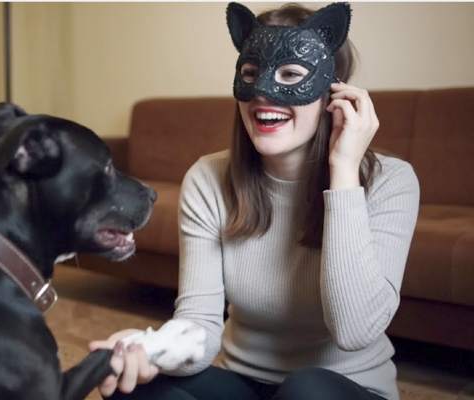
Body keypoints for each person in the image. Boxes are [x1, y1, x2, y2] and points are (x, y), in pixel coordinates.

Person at [90, 2, 420, 400]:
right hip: (245, 386)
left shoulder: (392, 181)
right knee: (129, 385)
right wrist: (148, 348)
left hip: (339, 391)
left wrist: (345, 173)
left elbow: (354, 332)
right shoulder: (207, 178)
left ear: (334, 92)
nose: (263, 92)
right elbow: (199, 322)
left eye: (291, 75)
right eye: (250, 73)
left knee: (306, 390)